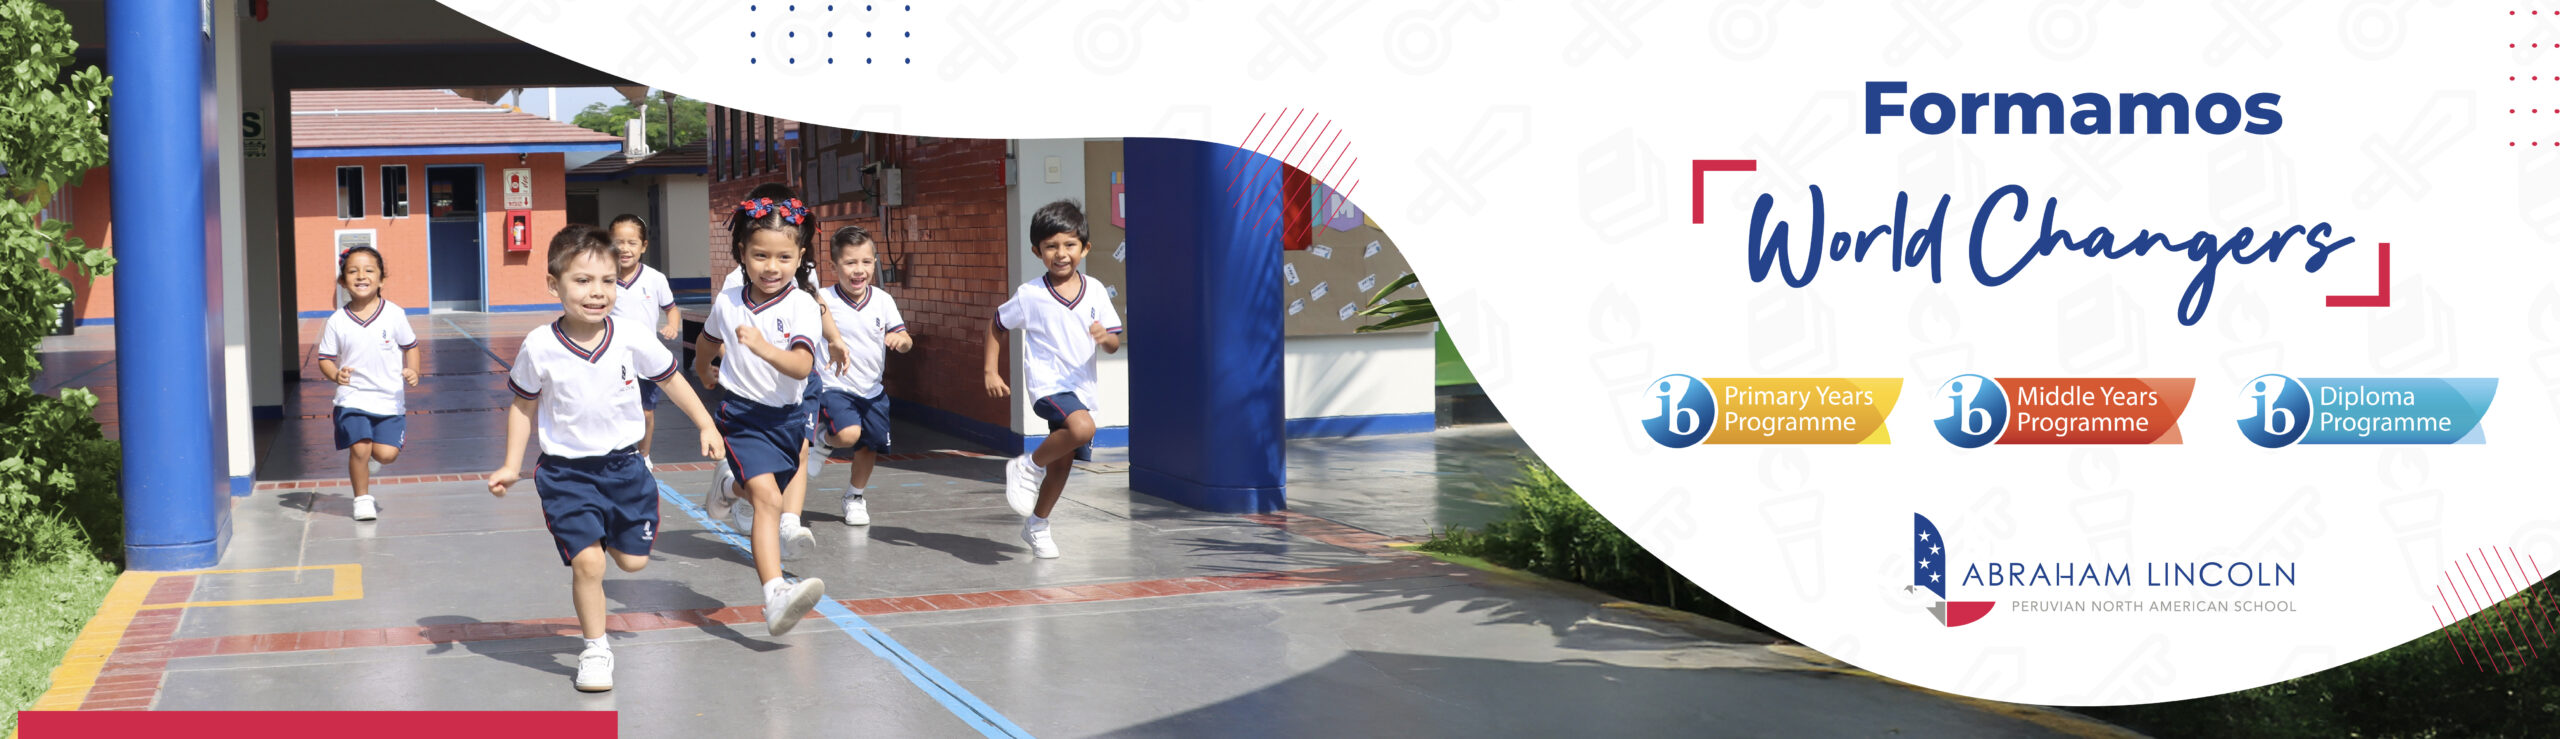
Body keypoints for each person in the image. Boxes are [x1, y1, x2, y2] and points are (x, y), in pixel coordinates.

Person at [483, 224, 723, 693]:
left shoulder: (631, 335)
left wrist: (706, 423)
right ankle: (595, 649)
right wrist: (511, 464)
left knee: (631, 563)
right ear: (553, 285)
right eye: (583, 281)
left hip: (626, 469)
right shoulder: (539, 345)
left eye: (608, 281)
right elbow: (523, 406)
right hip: (566, 474)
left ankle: (612, 533)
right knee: (589, 565)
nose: (597, 292)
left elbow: (672, 379)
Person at [694, 191, 830, 631]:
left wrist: (762, 347)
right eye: (760, 256)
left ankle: (727, 488)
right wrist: (703, 368)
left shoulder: (803, 305)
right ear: (742, 253)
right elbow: (708, 340)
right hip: (742, 417)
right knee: (769, 500)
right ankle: (775, 594)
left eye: (784, 257)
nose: (772, 267)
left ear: (800, 257)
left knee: (761, 493)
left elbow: (802, 365)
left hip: (787, 420)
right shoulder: (728, 301)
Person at [984, 200, 1122, 559]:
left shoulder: (1095, 290)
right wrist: (991, 371)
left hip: (1081, 389)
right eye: (1051, 246)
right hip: (1047, 385)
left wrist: (1103, 337)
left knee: (1062, 464)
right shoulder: (1030, 295)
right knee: (1083, 428)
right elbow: (997, 325)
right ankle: (1026, 466)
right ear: (1037, 251)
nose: (1061, 253)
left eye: (1069, 244)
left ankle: (1037, 525)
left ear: (1085, 248)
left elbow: (1113, 343)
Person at [810, 225, 911, 526]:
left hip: (872, 391)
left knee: (870, 445)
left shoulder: (883, 300)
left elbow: (905, 338)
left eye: (866, 262)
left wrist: (901, 341)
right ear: (833, 266)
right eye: (850, 262)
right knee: (848, 434)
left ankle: (854, 496)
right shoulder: (822, 300)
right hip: (834, 386)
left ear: (875, 262)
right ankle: (822, 439)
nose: (859, 270)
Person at [315, 246, 419, 523]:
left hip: (389, 399)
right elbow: (325, 359)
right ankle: (362, 500)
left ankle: (372, 459)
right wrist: (336, 375)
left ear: (382, 279)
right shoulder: (336, 321)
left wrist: (414, 370)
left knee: (386, 455)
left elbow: (411, 346)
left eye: (369, 270)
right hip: (352, 398)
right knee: (360, 447)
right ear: (342, 281)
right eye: (353, 271)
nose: (361, 276)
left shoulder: (394, 314)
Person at [605, 214, 683, 463]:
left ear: (644, 246)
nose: (625, 249)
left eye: (632, 242)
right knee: (613, 410)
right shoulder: (603, 278)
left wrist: (672, 325)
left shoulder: (655, 278)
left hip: (646, 361)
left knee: (646, 412)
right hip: (613, 360)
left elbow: (671, 309)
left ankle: (644, 457)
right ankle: (614, 455)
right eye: (618, 242)